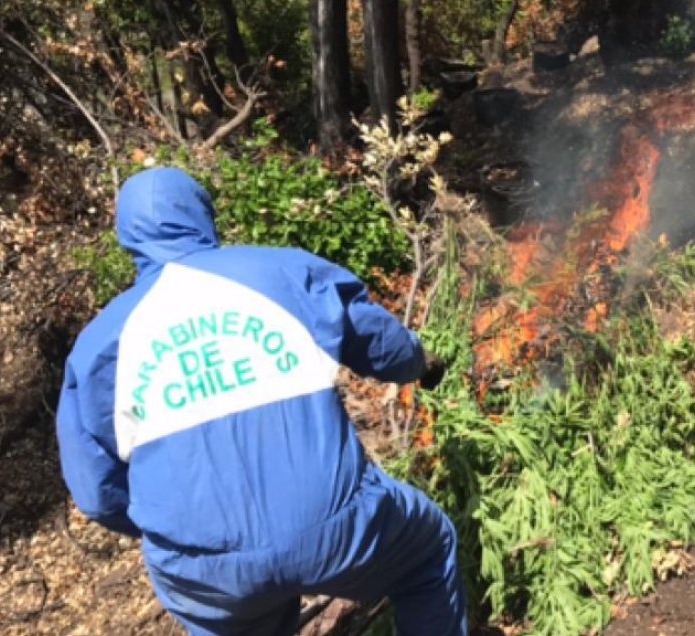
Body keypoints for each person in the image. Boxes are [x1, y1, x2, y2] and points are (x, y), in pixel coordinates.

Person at [56, 167, 466, 636]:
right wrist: (421, 364)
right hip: (336, 530)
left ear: (127, 236)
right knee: (427, 554)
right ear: (202, 215)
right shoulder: (280, 271)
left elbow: (95, 494)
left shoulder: (96, 348)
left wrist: (181, 530)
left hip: (206, 574)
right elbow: (385, 347)